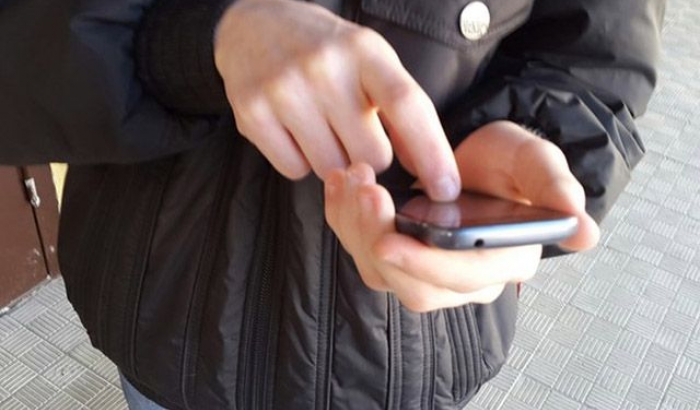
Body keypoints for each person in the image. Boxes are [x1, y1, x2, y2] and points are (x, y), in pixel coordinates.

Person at [0, 0, 665, 408]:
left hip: (418, 352)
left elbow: (599, 58)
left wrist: (530, 141)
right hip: (166, 324)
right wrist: (195, 42)